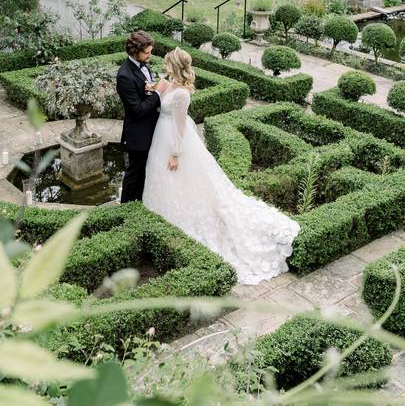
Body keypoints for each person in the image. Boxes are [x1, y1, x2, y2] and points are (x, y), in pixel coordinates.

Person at [141, 47, 300, 284]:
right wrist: (155, 88)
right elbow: (161, 93)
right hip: (159, 137)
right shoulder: (170, 82)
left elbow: (181, 126)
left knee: (177, 181)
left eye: (167, 63)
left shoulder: (183, 94)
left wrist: (175, 153)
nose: (164, 67)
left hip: (173, 140)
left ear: (175, 66)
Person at [116, 30, 161, 203]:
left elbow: (145, 92)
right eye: (147, 52)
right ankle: (126, 208)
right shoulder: (124, 76)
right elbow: (138, 110)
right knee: (134, 175)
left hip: (151, 130)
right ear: (135, 52)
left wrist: (152, 89)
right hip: (138, 135)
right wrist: (158, 92)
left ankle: (142, 204)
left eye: (151, 51)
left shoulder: (143, 65)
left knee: (146, 174)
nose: (150, 56)